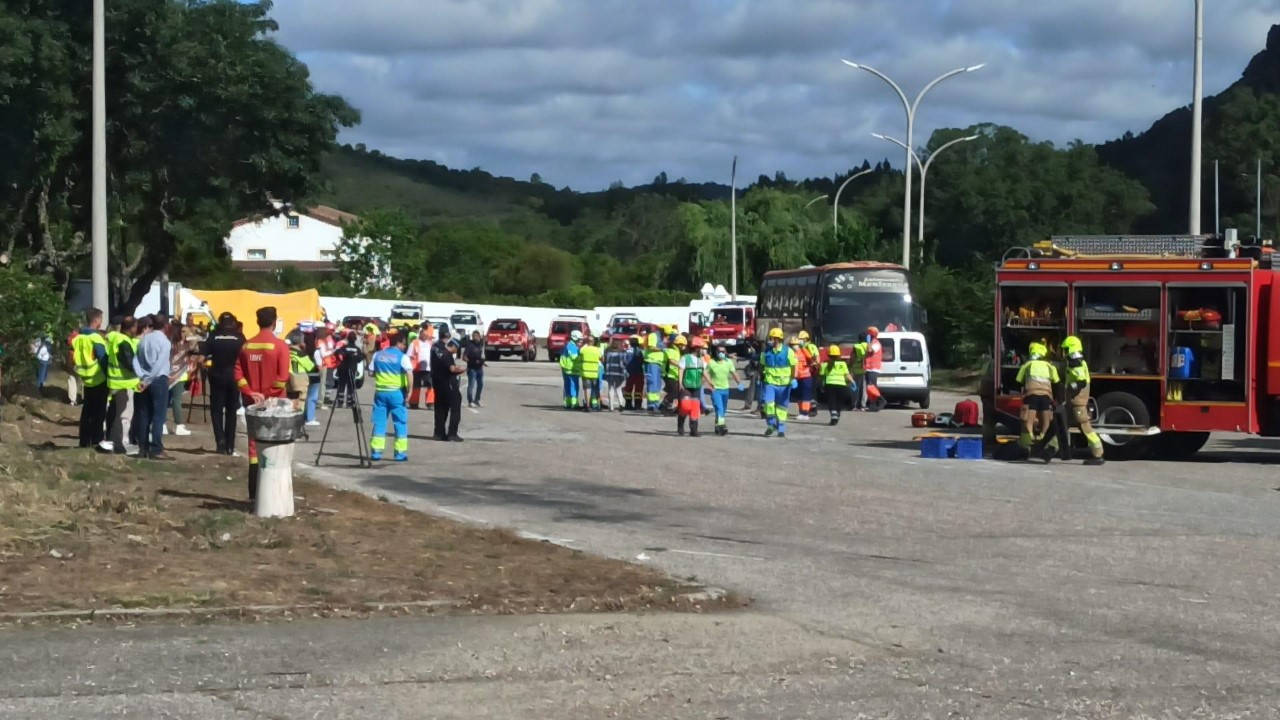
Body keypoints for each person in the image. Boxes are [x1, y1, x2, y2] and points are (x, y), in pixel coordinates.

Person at [235, 307, 291, 501]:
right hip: (275, 406)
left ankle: (253, 494)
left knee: (253, 447)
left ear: (257, 321)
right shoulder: (280, 346)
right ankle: (273, 497)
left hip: (253, 405)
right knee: (275, 446)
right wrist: (268, 396)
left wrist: (251, 393)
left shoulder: (246, 346)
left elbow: (238, 374)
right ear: (274, 322)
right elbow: (282, 379)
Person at [1046, 336, 1105, 466]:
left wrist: (1072, 387)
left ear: (1071, 349)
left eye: (1065, 349)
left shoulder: (1076, 363)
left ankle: (1098, 454)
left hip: (1077, 404)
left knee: (1085, 428)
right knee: (1063, 427)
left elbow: (1081, 382)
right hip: (1072, 404)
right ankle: (1049, 451)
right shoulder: (1076, 361)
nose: (1064, 352)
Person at [201, 312, 243, 456]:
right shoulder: (239, 338)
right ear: (233, 323)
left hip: (217, 376)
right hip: (234, 377)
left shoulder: (213, 336)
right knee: (232, 411)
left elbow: (201, 357)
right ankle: (230, 445)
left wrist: (204, 367)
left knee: (216, 410)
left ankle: (220, 441)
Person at [132, 315, 173, 460]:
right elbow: (159, 364)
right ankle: (156, 448)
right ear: (165, 326)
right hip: (157, 379)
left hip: (143, 378)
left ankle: (143, 448)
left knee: (143, 414)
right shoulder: (165, 342)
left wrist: (141, 376)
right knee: (158, 415)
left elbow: (135, 359)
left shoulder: (144, 339)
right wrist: (148, 379)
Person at [368, 331, 413, 461]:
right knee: (400, 422)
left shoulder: (378, 354)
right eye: (404, 344)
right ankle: (400, 453)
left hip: (380, 393)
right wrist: (410, 392)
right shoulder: (403, 357)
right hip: (397, 393)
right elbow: (410, 374)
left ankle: (376, 452)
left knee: (379, 422)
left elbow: (370, 373)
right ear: (398, 343)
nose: (404, 347)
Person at [72, 308, 110, 448]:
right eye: (101, 319)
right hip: (98, 378)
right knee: (99, 413)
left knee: (87, 411)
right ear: (96, 320)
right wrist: (108, 376)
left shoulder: (79, 338)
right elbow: (103, 358)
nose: (101, 322)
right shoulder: (96, 338)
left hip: (86, 379)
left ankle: (84, 440)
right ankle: (96, 440)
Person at [1015, 341, 1060, 457]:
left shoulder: (1027, 365)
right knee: (1046, 422)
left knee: (1027, 421)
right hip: (1046, 397)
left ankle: (1028, 445)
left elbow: (1018, 381)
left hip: (1031, 396)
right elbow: (1057, 382)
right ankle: (1043, 440)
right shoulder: (1050, 366)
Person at [103, 316, 140, 455]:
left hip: (114, 381)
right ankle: (117, 445)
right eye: (135, 326)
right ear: (132, 328)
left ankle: (112, 441)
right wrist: (141, 371)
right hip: (123, 383)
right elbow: (129, 363)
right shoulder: (123, 342)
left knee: (114, 414)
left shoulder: (113, 338)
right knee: (120, 415)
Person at [760, 328, 797, 438]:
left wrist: (793, 378)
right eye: (770, 338)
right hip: (770, 382)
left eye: (772, 338)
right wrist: (759, 377)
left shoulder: (788, 351)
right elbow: (761, 365)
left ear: (778, 339)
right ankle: (771, 425)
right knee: (768, 404)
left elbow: (793, 366)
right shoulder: (766, 352)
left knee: (782, 407)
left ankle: (781, 428)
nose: (770, 340)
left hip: (784, 384)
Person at [430, 327, 465, 441]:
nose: (456, 351)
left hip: (437, 383)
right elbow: (451, 369)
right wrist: (463, 370)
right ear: (453, 347)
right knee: (455, 408)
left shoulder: (435, 348)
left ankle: (438, 433)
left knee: (440, 409)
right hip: (449, 384)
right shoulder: (447, 354)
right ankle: (452, 434)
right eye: (457, 349)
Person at [705, 344, 743, 436]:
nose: (721, 353)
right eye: (719, 351)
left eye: (723, 351)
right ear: (716, 352)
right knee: (719, 408)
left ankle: (717, 426)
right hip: (715, 389)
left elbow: (734, 373)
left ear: (725, 352)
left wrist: (739, 383)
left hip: (725, 389)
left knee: (723, 410)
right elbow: (705, 374)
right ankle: (722, 426)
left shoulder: (728, 362)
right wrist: (706, 385)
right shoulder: (711, 362)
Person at [676, 336, 708, 437]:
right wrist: (680, 383)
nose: (702, 350)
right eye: (701, 348)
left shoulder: (701, 360)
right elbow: (681, 370)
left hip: (696, 387)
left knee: (695, 409)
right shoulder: (685, 358)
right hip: (686, 385)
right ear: (696, 348)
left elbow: (704, 372)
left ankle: (693, 430)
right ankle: (680, 423)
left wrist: (710, 383)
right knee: (685, 406)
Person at [820, 345, 855, 426]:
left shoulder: (824, 365)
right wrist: (853, 382)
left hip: (829, 385)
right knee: (840, 401)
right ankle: (837, 413)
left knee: (832, 401)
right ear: (839, 355)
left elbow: (822, 377)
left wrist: (821, 386)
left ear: (828, 355)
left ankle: (833, 415)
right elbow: (847, 375)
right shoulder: (842, 364)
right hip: (841, 385)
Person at [333, 331, 364, 409]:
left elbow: (336, 352)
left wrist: (341, 358)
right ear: (355, 339)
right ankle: (349, 403)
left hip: (343, 368)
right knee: (351, 386)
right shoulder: (357, 349)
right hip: (352, 369)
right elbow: (359, 360)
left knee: (341, 385)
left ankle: (339, 402)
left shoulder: (344, 347)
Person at [407, 323, 433, 410]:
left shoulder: (430, 343)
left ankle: (430, 402)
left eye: (427, 335)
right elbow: (408, 355)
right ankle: (413, 402)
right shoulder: (414, 343)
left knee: (430, 385)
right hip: (416, 368)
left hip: (428, 368)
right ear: (420, 334)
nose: (425, 336)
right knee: (415, 385)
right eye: (424, 335)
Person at [790, 334, 815, 421]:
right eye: (792, 345)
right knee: (799, 396)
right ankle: (801, 412)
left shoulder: (804, 352)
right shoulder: (792, 354)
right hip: (798, 378)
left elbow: (812, 360)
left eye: (794, 345)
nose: (793, 346)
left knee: (806, 397)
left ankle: (805, 413)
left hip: (806, 377)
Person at [578, 334, 603, 411]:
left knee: (587, 389)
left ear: (587, 342)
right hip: (594, 372)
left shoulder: (583, 350)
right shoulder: (597, 350)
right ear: (594, 342)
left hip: (585, 372)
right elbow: (602, 359)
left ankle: (587, 406)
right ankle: (596, 404)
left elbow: (579, 359)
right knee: (595, 389)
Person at [559, 329, 583, 409]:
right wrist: (581, 355)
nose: (580, 341)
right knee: (574, 386)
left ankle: (567, 403)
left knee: (567, 386)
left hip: (565, 369)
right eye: (579, 339)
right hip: (573, 369)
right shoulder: (572, 347)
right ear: (575, 338)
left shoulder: (567, 345)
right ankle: (574, 403)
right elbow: (574, 357)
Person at [800, 331, 822, 418]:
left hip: (812, 371)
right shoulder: (804, 347)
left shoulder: (810, 346)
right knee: (807, 391)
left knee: (812, 391)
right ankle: (808, 408)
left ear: (806, 339)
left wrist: (814, 365)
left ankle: (813, 409)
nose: (800, 341)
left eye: (802, 339)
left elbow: (815, 356)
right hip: (807, 371)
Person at [604, 338, 629, 412]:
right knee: (618, 389)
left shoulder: (607, 352)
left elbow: (604, 361)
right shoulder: (622, 352)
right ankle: (621, 404)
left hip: (610, 372)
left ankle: (611, 406)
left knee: (610, 388)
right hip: (619, 372)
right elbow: (625, 362)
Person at [643, 331, 665, 413]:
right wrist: (662, 349)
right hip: (652, 362)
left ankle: (655, 404)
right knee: (652, 384)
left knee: (657, 385)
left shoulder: (660, 337)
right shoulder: (653, 335)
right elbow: (651, 347)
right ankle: (651, 405)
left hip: (658, 363)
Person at [463, 330, 486, 408]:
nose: (475, 337)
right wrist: (470, 362)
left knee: (480, 384)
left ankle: (477, 400)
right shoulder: (470, 345)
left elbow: (482, 354)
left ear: (479, 336)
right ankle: (470, 401)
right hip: (472, 368)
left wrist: (482, 362)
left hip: (479, 368)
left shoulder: (480, 345)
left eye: (476, 336)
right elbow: (464, 357)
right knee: (471, 385)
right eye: (474, 336)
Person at [662, 333, 684, 411]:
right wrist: (681, 365)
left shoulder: (676, 351)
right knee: (674, 392)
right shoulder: (670, 350)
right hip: (668, 374)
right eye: (682, 345)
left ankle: (668, 406)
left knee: (675, 391)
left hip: (674, 375)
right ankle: (663, 405)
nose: (683, 347)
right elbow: (671, 361)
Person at [863, 327, 883, 409]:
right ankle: (872, 404)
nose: (866, 335)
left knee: (872, 387)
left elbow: (869, 350)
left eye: (868, 334)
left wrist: (868, 342)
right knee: (869, 387)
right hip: (868, 369)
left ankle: (879, 401)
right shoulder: (871, 342)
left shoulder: (876, 343)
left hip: (873, 369)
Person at [623, 336, 645, 410]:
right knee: (638, 390)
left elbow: (625, 361)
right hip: (638, 372)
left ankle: (628, 404)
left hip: (629, 372)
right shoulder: (640, 351)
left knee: (628, 389)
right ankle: (637, 405)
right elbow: (642, 361)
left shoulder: (627, 351)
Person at [850, 336, 869, 410]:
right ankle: (863, 405)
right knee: (864, 388)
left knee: (855, 387)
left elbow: (853, 357)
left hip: (857, 370)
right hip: (867, 369)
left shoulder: (856, 346)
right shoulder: (869, 345)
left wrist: (850, 365)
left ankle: (854, 405)